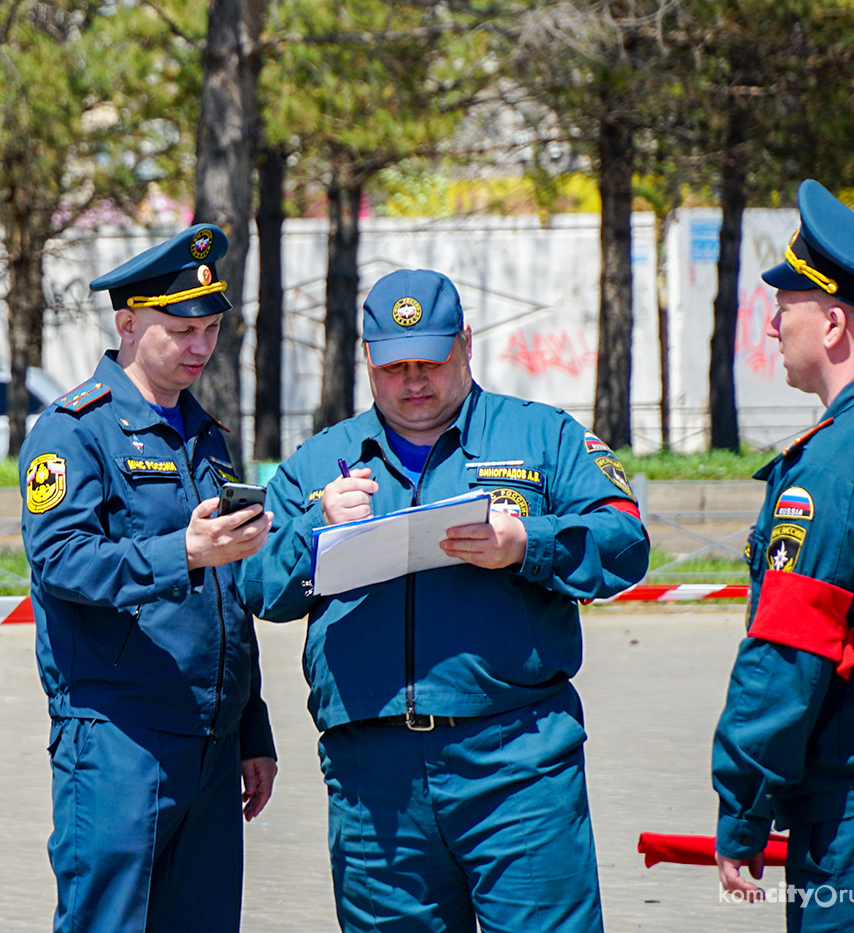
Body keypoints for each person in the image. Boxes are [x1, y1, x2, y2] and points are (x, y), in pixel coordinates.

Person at [239, 268, 649, 933]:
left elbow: (624, 541)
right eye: (394, 366)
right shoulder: (321, 462)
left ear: (465, 343)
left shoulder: (540, 437)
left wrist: (525, 543)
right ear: (367, 359)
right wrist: (316, 537)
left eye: (431, 360)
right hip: (375, 782)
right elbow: (256, 586)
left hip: (517, 762)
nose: (414, 381)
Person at [20, 225, 278, 933]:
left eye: (210, 329)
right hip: (120, 738)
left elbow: (230, 597)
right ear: (127, 325)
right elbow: (60, 559)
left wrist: (250, 728)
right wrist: (183, 553)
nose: (199, 347)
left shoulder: (207, 434)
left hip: (211, 740)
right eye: (180, 330)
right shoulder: (75, 431)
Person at [711, 179, 854, 929]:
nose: (769, 328)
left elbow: (791, 646)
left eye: (783, 307)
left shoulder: (836, 463)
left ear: (830, 325)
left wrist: (742, 807)